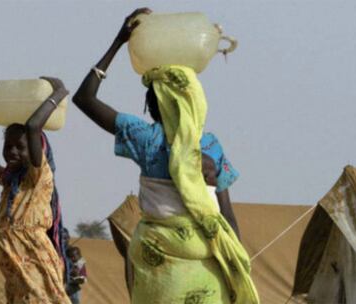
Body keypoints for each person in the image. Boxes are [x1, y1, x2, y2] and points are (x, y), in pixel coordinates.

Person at [73, 8, 258, 304]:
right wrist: (236, 264)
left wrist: (119, 42)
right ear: (195, 100)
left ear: (152, 104)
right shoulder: (210, 147)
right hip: (207, 267)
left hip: (158, 270)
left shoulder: (147, 139)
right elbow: (227, 217)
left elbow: (84, 98)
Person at [0, 78, 71, 304]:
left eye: (20, 147)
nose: (12, 151)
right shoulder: (8, 180)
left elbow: (34, 127)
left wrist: (59, 93)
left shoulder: (38, 177)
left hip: (36, 267)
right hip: (16, 277)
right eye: (7, 146)